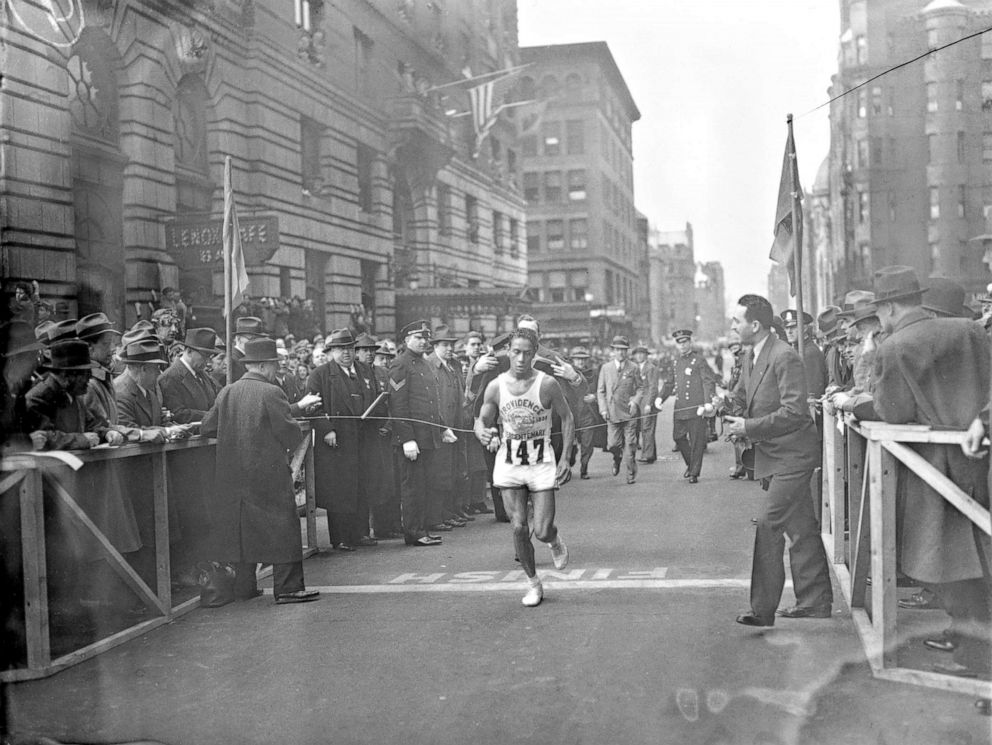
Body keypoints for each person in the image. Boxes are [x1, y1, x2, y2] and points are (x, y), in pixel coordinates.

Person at [870, 266, 991, 677]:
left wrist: (860, 403)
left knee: (951, 564)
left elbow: (894, 413)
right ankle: (973, 648)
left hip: (933, 470)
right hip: (981, 459)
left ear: (887, 307)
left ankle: (978, 662)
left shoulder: (893, 347)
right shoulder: (970, 330)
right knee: (981, 558)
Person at [726, 294, 833, 627]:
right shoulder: (751, 355)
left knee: (770, 524)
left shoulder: (785, 356)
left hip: (793, 456)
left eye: (736, 321)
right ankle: (815, 601)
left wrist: (749, 427)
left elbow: (793, 412)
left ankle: (762, 610)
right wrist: (723, 406)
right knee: (800, 528)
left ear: (754, 325)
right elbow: (743, 396)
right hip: (774, 456)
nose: (732, 326)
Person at [200, 337, 319, 604]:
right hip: (268, 474)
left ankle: (244, 586)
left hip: (232, 476)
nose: (276, 371)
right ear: (265, 366)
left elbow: (207, 426)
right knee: (284, 528)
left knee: (243, 531)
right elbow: (289, 433)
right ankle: (288, 588)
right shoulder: (271, 392)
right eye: (275, 366)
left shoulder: (227, 391)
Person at [475, 328, 574, 607]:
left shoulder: (547, 384)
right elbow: (481, 419)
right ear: (507, 351)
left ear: (535, 354)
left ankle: (554, 541)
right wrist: (483, 433)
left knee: (541, 530)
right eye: (515, 352)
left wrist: (565, 457)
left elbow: (567, 419)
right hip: (509, 463)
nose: (520, 358)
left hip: (540, 463)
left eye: (527, 353)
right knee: (518, 527)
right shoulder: (495, 386)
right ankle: (533, 583)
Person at [307, 329, 375, 551]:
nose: (346, 353)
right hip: (336, 441)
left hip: (362, 438)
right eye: (340, 349)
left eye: (349, 348)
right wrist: (326, 430)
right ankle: (342, 537)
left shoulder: (365, 371)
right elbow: (312, 407)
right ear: (331, 351)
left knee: (361, 484)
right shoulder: (320, 375)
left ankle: (361, 532)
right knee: (339, 489)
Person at [388, 320, 444, 546]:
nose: (423, 342)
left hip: (427, 436)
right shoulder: (400, 364)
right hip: (413, 438)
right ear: (406, 340)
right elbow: (398, 405)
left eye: (425, 338)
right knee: (412, 486)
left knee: (425, 484)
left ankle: (422, 529)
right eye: (418, 338)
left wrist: (442, 427)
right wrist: (407, 439)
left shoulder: (424, 363)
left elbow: (431, 401)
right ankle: (414, 532)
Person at [427, 325, 471, 530]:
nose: (449, 348)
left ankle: (449, 512)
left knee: (453, 470)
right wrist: (441, 426)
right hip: (440, 427)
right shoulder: (430, 365)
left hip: (456, 425)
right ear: (435, 346)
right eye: (444, 345)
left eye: (451, 345)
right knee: (439, 473)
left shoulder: (452, 365)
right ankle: (437, 517)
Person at [664, 329, 716, 484]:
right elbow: (669, 383)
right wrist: (660, 398)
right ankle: (691, 464)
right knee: (678, 437)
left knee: (697, 441)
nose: (682, 345)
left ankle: (694, 472)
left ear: (690, 342)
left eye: (685, 342)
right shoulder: (675, 361)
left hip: (696, 407)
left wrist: (707, 402)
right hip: (680, 407)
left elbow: (708, 381)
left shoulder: (699, 360)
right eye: (679, 343)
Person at [597, 335, 644, 485]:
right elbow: (601, 391)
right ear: (613, 351)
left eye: (624, 350)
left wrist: (635, 402)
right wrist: (603, 409)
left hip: (629, 413)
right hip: (612, 413)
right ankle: (616, 458)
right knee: (612, 445)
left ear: (627, 352)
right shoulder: (606, 368)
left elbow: (641, 388)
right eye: (618, 350)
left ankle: (631, 474)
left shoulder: (634, 367)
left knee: (630, 445)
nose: (621, 353)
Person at [568, 346, 605, 479]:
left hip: (588, 414)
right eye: (577, 359)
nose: (580, 362)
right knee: (569, 444)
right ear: (572, 360)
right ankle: (568, 463)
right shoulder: (566, 374)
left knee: (587, 444)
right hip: (571, 415)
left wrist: (594, 397)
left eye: (583, 359)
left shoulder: (593, 374)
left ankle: (584, 468)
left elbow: (602, 390)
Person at [633, 345, 662, 464]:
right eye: (637, 354)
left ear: (646, 355)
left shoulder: (651, 368)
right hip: (639, 400)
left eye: (642, 353)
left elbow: (653, 387)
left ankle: (647, 454)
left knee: (647, 427)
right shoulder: (635, 367)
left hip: (647, 401)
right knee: (644, 427)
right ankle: (651, 454)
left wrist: (649, 403)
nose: (639, 356)